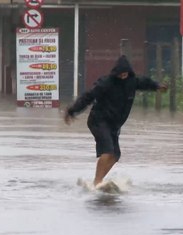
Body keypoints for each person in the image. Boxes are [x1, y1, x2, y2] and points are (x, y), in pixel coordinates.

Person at [64, 55, 168, 186]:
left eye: (126, 74)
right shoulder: (106, 83)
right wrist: (72, 110)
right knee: (107, 151)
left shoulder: (132, 82)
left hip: (113, 125)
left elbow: (146, 82)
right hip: (98, 120)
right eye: (121, 74)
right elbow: (88, 96)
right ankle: (97, 182)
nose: (123, 76)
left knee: (115, 155)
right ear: (116, 73)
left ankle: (98, 181)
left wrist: (157, 86)